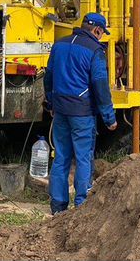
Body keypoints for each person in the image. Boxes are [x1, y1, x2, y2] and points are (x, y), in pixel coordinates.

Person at [43, 12, 117, 214]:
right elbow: (100, 86)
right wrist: (109, 117)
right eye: (101, 33)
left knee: (61, 157)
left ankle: (58, 208)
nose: (101, 37)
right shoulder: (95, 51)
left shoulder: (59, 45)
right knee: (84, 158)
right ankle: (82, 206)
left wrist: (51, 103)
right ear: (97, 30)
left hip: (60, 111)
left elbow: (48, 76)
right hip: (82, 113)